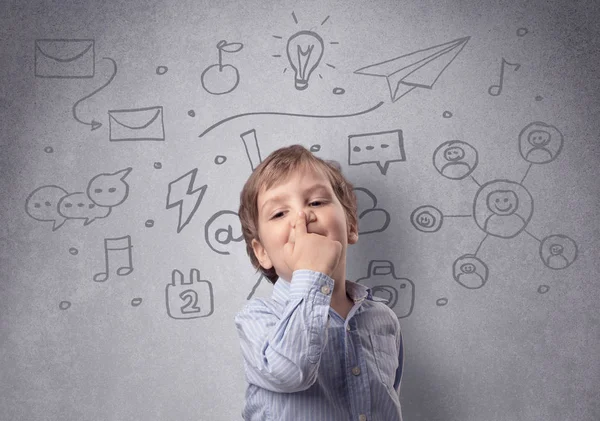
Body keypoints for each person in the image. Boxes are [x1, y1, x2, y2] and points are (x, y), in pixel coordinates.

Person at [235, 144, 404, 421]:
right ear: (262, 252)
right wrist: (312, 274)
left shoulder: (382, 318)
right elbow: (290, 372)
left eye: (316, 202)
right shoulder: (257, 319)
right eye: (279, 213)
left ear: (350, 225)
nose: (302, 217)